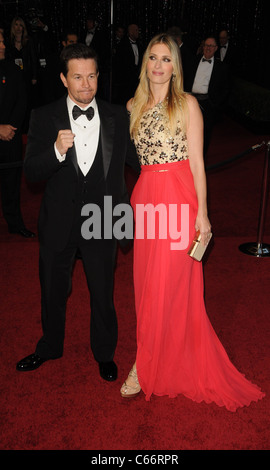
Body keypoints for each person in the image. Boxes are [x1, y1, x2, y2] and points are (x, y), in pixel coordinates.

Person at [120, 33, 265, 411]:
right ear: (144, 63)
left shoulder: (187, 105)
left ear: (175, 67)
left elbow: (199, 164)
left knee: (169, 282)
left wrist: (202, 213)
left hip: (179, 198)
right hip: (146, 200)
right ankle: (150, 353)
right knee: (146, 282)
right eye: (153, 57)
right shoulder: (132, 105)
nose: (158, 65)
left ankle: (145, 363)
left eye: (166, 59)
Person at [16, 43, 140, 381]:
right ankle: (50, 346)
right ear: (63, 79)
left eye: (91, 76)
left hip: (102, 218)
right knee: (53, 290)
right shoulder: (43, 116)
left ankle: (104, 353)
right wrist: (56, 151)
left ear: (98, 76)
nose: (85, 85)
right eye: (77, 77)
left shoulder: (117, 115)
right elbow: (31, 173)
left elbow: (140, 162)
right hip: (58, 219)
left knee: (102, 291)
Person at [0, 31, 35, 237]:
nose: (4, 45)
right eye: (0, 42)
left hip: (11, 137)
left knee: (12, 184)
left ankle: (15, 224)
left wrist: (10, 127)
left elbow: (22, 101)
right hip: (4, 132)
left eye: (3, 41)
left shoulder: (13, 69)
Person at [184, 35, 229, 155]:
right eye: (206, 45)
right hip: (190, 101)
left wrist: (215, 103)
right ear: (203, 47)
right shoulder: (193, 61)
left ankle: (200, 159)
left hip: (208, 104)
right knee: (186, 131)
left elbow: (225, 88)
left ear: (215, 48)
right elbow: (184, 79)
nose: (208, 48)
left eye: (211, 46)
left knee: (204, 133)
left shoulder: (221, 67)